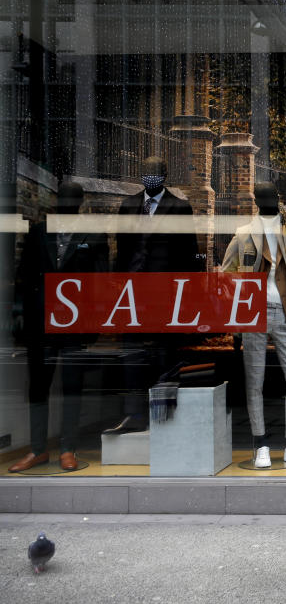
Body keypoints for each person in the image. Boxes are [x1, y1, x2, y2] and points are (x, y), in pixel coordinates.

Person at [9, 182, 109, 472]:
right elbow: (23, 276)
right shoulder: (39, 232)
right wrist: (18, 313)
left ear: (81, 201)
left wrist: (96, 319)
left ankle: (68, 447)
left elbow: (101, 280)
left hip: (75, 322)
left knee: (71, 386)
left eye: (72, 198)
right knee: (38, 386)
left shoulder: (93, 234)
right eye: (63, 197)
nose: (67, 202)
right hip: (41, 321)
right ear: (56, 200)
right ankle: (38, 449)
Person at [220, 182, 286, 468]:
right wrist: (238, 302)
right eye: (261, 195)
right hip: (254, 312)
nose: (266, 199)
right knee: (255, 380)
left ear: (279, 198)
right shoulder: (243, 234)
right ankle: (260, 442)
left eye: (271, 195)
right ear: (256, 200)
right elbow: (226, 274)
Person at [103, 156, 200, 434]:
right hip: (132, 293)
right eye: (146, 173)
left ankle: (164, 413)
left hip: (166, 294)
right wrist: (117, 287)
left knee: (164, 352)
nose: (150, 177)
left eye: (155, 173)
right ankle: (133, 415)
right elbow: (121, 252)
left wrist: (188, 297)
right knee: (132, 352)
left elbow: (190, 253)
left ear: (165, 174)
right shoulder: (128, 205)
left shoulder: (180, 208)